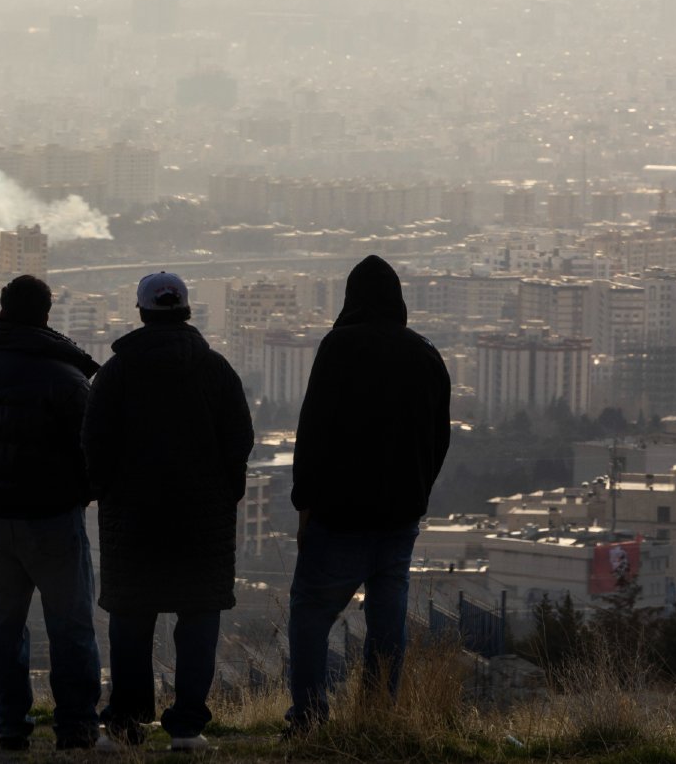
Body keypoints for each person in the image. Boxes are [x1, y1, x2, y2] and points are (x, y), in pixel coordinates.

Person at [82, 271, 254, 752]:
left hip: (133, 522)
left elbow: (93, 441)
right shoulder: (216, 369)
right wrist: (225, 495)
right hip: (203, 524)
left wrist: (108, 491)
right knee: (198, 618)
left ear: (141, 312)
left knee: (131, 619)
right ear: (186, 310)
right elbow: (240, 440)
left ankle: (124, 723)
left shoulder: (116, 373)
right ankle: (187, 728)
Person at [286, 254, 451, 731]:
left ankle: (310, 717)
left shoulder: (338, 348)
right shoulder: (425, 354)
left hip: (338, 516)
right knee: (387, 625)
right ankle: (378, 716)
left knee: (312, 616)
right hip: (399, 520)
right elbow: (439, 439)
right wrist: (416, 493)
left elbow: (313, 430)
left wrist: (305, 505)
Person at [0, 275, 103, 752]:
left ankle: (10, 725)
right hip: (54, 517)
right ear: (47, 314)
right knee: (71, 625)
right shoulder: (68, 380)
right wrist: (80, 493)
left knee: (4, 624)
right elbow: (94, 453)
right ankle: (75, 726)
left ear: (2, 308)